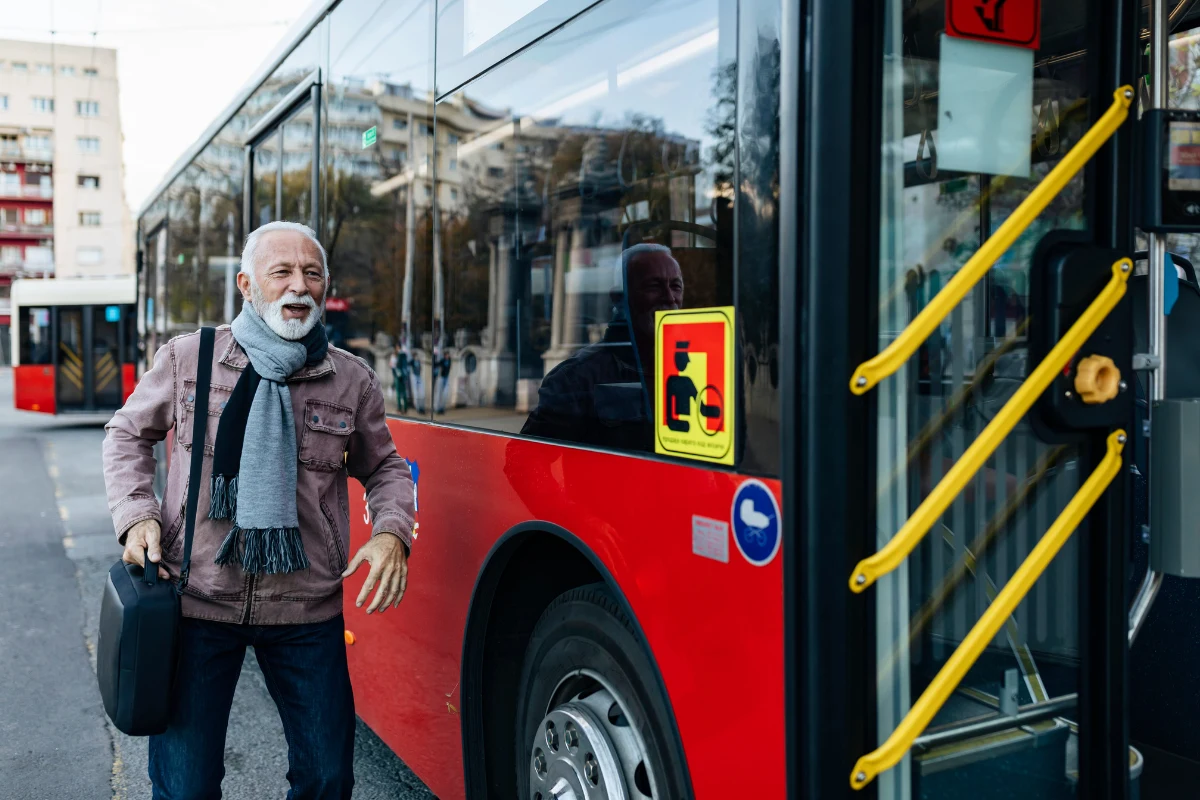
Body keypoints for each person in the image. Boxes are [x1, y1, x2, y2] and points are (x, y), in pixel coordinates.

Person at [102, 220, 415, 800]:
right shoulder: (189, 358)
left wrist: (393, 532)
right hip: (197, 604)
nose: (300, 286)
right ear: (246, 285)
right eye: (282, 272)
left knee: (327, 779)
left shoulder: (352, 379)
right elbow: (126, 435)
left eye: (312, 273)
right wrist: (137, 513)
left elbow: (387, 467)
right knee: (186, 785)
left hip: (306, 610)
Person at [521, 242, 684, 450]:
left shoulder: (695, 367)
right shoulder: (577, 378)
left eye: (676, 286)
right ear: (619, 298)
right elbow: (524, 462)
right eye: (654, 286)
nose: (670, 298)